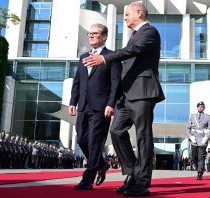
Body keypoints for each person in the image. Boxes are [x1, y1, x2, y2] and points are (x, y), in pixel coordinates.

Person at [82, 2, 165, 196]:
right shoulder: (133, 36)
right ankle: (131, 173)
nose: (125, 17)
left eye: (127, 14)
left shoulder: (149, 32)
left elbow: (133, 51)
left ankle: (143, 183)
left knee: (143, 136)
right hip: (126, 95)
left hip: (143, 92)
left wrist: (105, 58)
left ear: (139, 13)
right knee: (117, 131)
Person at [68, 23, 122, 190]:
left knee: (95, 143)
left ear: (104, 36)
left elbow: (116, 83)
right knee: (81, 139)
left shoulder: (111, 57)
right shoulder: (83, 56)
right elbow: (78, 81)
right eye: (89, 34)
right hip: (83, 105)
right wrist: (73, 101)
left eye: (95, 34)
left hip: (101, 107)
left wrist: (111, 103)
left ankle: (87, 179)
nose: (91, 36)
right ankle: (101, 164)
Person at [185, 101, 210, 180]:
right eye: (199, 106)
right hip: (194, 140)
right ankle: (198, 169)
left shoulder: (207, 117)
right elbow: (187, 128)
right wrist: (190, 137)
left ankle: (200, 173)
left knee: (201, 157)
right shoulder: (192, 116)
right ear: (197, 107)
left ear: (204, 108)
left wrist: (207, 137)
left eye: (202, 106)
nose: (200, 108)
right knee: (194, 157)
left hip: (202, 140)